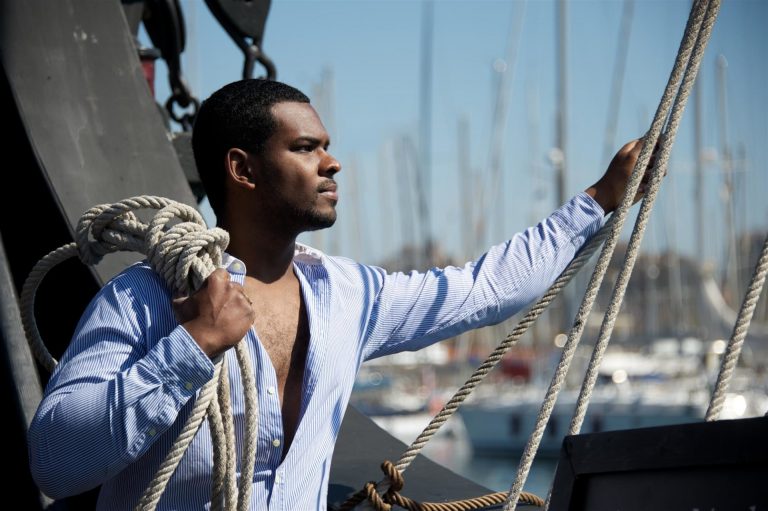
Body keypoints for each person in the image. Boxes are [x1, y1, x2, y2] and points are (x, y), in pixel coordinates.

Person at [28, 79, 652, 510]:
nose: (333, 164)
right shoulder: (146, 300)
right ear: (242, 169)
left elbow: (479, 290)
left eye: (326, 146)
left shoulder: (347, 294)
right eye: (305, 148)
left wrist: (598, 200)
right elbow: (55, 459)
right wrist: (192, 347)